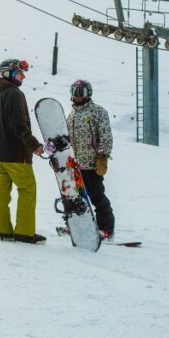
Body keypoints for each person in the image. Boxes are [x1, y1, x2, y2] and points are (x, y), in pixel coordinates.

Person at [0, 58, 45, 244]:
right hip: (15, 156)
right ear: (8, 73)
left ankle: (1, 230)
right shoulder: (14, 94)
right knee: (27, 189)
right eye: (20, 73)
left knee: (1, 193)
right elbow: (20, 126)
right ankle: (24, 233)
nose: (23, 76)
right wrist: (34, 145)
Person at [65, 80, 115, 238]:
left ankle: (105, 228)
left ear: (89, 93)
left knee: (97, 196)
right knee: (75, 198)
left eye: (82, 93)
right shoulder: (71, 115)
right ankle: (76, 226)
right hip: (75, 166)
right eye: (75, 92)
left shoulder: (98, 111)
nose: (78, 96)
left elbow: (106, 135)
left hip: (92, 164)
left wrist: (103, 155)